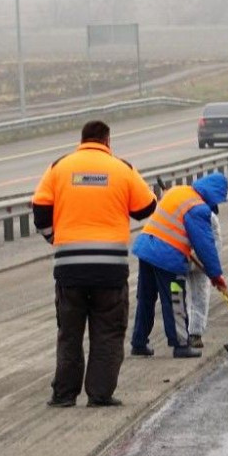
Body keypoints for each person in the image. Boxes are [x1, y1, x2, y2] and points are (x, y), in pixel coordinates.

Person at [31, 120, 157, 408]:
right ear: (107, 140)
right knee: (108, 333)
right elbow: (147, 207)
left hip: (69, 269)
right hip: (109, 270)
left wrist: (56, 239)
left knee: (69, 333)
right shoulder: (121, 168)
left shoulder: (59, 167)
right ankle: (100, 394)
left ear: (82, 139)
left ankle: (64, 395)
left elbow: (39, 209)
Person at [130, 172, 228, 358]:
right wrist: (216, 275)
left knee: (145, 298)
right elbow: (205, 245)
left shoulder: (179, 191)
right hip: (166, 257)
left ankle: (139, 342)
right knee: (175, 299)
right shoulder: (197, 208)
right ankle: (181, 345)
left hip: (146, 249)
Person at [185, 205, 222, 349]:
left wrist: (214, 273)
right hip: (181, 258)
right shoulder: (208, 217)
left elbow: (215, 248)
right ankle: (185, 335)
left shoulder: (208, 217)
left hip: (198, 261)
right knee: (182, 295)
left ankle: (194, 334)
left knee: (198, 296)